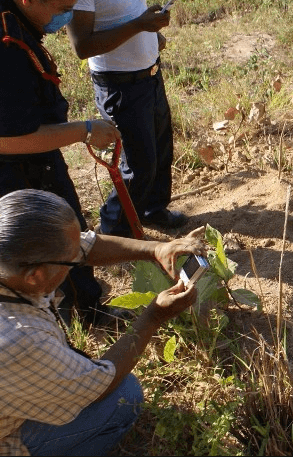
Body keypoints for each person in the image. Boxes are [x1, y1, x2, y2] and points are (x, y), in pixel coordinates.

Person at [0, 189, 204, 456]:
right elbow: (99, 386)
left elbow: (85, 246)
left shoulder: (12, 257)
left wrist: (157, 249)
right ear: (34, 276)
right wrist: (153, 317)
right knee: (124, 397)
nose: (78, 259)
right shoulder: (21, 338)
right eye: (71, 261)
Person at [0, 0, 123, 325]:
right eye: (62, 10)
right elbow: (9, 138)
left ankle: (83, 306)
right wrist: (84, 130)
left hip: (35, 163)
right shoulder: (5, 44)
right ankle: (71, 321)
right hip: (18, 173)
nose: (67, 20)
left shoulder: (15, 16)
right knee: (50, 244)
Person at [67, 0, 188, 237]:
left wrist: (152, 32)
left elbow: (126, 12)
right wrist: (139, 26)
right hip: (120, 84)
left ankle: (151, 210)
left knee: (160, 150)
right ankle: (113, 232)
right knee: (139, 164)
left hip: (149, 73)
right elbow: (83, 45)